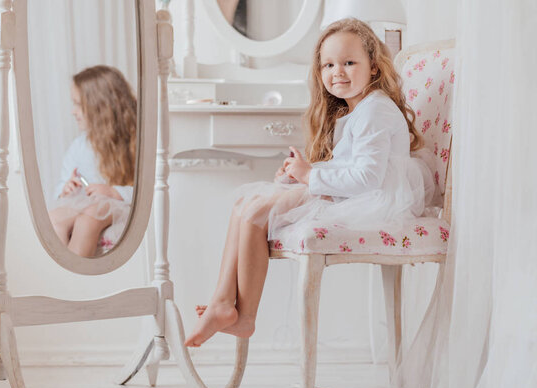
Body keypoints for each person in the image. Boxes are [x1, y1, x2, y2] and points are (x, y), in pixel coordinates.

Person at [184, 18, 432, 347]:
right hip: (355, 194)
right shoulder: (357, 110)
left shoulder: (375, 110)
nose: (338, 72)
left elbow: (367, 177)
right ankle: (221, 303)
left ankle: (243, 317)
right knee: (246, 204)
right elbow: (349, 167)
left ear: (374, 67)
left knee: (257, 211)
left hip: (374, 200)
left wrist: (309, 176)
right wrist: (298, 174)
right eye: (328, 64)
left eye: (349, 62)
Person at [48, 65, 137, 257]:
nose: (73, 111)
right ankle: (57, 279)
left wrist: (114, 192)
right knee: (54, 219)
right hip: (89, 202)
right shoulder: (80, 145)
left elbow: (149, 189)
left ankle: (75, 282)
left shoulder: (135, 139)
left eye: (78, 105)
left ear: (100, 106)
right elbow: (62, 186)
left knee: (88, 219)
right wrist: (65, 189)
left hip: (122, 204)